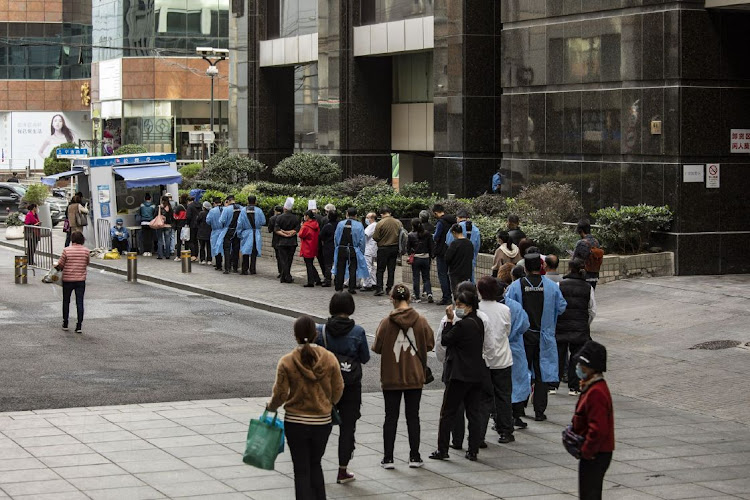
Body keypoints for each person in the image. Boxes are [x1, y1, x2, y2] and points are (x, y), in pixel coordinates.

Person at [267, 315, 344, 500]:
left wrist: (271, 407)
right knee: (316, 464)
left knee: (301, 470)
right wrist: (329, 403)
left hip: (296, 421)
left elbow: (281, 394)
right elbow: (339, 387)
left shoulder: (287, 361)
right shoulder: (329, 358)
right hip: (322, 421)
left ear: (295, 336)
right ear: (316, 333)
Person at [372, 284, 435, 469]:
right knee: (413, 416)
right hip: (415, 375)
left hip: (391, 376)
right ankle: (414, 456)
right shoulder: (421, 321)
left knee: (390, 417)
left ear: (392, 299)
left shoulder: (386, 322)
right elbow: (430, 343)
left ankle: (388, 458)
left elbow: (377, 347)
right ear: (408, 298)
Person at [314, 292, 370, 484]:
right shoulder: (358, 332)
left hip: (326, 387)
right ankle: (342, 470)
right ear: (351, 308)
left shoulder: (320, 331)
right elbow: (365, 358)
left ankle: (315, 465)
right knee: (348, 428)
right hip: (351, 386)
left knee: (323, 426)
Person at [506, 253, 567, 422]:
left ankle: (519, 409)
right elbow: (562, 306)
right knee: (541, 374)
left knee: (520, 371)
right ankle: (540, 411)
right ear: (541, 267)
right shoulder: (551, 286)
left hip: (522, 336)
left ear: (525, 268)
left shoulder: (516, 286)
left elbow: (508, 309)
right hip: (544, 336)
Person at [429, 288, 487, 462]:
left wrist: (449, 320)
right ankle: (473, 450)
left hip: (459, 374)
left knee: (448, 412)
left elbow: (446, 340)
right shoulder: (478, 322)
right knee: (473, 413)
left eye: (460, 305)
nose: (457, 308)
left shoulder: (461, 325)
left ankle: (443, 449)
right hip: (476, 374)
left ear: (469, 306)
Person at [571, 340, 614, 500]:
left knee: (590, 495)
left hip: (596, 453)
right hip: (594, 452)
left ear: (590, 367)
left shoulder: (597, 391)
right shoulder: (592, 386)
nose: (578, 367)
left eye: (581, 364)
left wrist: (586, 451)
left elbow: (598, 428)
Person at [476, 277, 515, 444]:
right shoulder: (504, 309)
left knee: (481, 399)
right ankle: (505, 430)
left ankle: (479, 435)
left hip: (482, 360)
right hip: (502, 358)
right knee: (504, 396)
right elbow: (507, 331)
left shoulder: (476, 309)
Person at [495, 279, 532, 430]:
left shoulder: (488, 308)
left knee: (500, 386)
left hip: (497, 349)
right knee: (518, 381)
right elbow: (525, 324)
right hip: (515, 348)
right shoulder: (515, 306)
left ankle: (500, 417)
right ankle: (516, 415)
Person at [557, 258, 597, 396]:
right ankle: (574, 387)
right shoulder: (588, 287)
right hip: (580, 327)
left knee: (560, 354)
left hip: (561, 326)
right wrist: (586, 323)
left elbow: (556, 306)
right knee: (576, 356)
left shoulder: (559, 285)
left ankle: (553, 385)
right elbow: (592, 310)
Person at [56, 231, 90, 334]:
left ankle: (65, 322)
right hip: (80, 280)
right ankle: (79, 325)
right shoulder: (86, 251)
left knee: (66, 301)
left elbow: (61, 264)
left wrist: (56, 267)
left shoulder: (66, 250)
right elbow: (87, 263)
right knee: (79, 302)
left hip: (68, 280)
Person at [333, 207, 369, 293]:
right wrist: (361, 251)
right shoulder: (359, 225)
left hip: (341, 248)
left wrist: (337, 247)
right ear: (356, 215)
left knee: (340, 268)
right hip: (353, 249)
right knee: (353, 268)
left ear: (347, 214)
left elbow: (336, 237)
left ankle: (339, 287)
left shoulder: (340, 224)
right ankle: (351, 288)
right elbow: (362, 240)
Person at [372, 206, 403, 296]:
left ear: (382, 214)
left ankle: (379, 288)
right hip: (394, 248)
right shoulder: (398, 222)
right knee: (391, 269)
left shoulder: (380, 223)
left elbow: (375, 237)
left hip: (383, 248)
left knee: (380, 269)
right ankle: (389, 288)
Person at [444, 209, 481, 282]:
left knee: (457, 283)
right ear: (467, 218)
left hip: (457, 261)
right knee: (470, 279)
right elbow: (477, 246)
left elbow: (449, 242)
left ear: (458, 218)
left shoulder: (455, 227)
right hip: (470, 259)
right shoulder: (476, 229)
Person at [431, 204, 457, 305]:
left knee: (442, 274)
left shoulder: (440, 222)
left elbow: (436, 237)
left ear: (436, 212)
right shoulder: (452, 221)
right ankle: (454, 295)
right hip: (452, 250)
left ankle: (446, 297)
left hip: (442, 251)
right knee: (451, 274)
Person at [237, 195, 266, 275]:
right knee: (254, 251)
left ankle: (244, 269)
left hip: (246, 233)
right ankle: (253, 269)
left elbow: (239, 223)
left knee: (245, 251)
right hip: (256, 233)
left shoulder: (243, 211)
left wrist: (239, 233)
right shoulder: (259, 211)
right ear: (255, 201)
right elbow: (263, 221)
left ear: (247, 201)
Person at [407, 218, 434, 303]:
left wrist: (410, 254)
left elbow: (408, 248)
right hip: (426, 257)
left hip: (416, 258)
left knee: (416, 277)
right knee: (426, 277)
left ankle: (417, 296)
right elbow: (431, 246)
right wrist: (431, 256)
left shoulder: (411, 235)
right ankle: (429, 293)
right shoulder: (427, 234)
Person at [444, 224, 474, 298]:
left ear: (454, 232)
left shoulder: (454, 244)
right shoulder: (469, 243)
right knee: (464, 292)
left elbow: (447, 258)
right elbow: (471, 256)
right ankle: (465, 307)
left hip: (455, 272)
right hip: (466, 272)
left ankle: (459, 308)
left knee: (457, 293)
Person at [572, 219, 603, 289]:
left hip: (584, 276)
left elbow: (574, 261)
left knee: (583, 297)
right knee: (591, 295)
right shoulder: (596, 242)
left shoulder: (581, 243)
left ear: (581, 230)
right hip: (595, 275)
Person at [275, 197, 300, 283]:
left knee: (283, 260)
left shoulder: (279, 218)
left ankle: (285, 276)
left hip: (282, 242)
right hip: (292, 242)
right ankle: (286, 276)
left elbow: (277, 230)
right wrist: (289, 234)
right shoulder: (296, 218)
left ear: (284, 208)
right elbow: (296, 230)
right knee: (289, 260)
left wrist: (284, 233)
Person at [299, 209, 322, 287]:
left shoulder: (305, 226)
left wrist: (302, 226)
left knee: (308, 264)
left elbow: (301, 235)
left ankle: (310, 281)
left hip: (306, 246)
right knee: (310, 263)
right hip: (314, 245)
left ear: (307, 216)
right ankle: (317, 279)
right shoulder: (316, 224)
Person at [319, 207, 338, 287]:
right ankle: (337, 279)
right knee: (337, 263)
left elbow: (321, 236)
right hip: (337, 246)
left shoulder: (327, 226)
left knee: (328, 264)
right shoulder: (339, 225)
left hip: (328, 247)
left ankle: (328, 280)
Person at [206, 197, 225, 270]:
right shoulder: (225, 209)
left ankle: (218, 264)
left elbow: (208, 221)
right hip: (224, 231)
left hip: (215, 231)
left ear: (214, 203)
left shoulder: (212, 211)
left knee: (216, 248)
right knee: (223, 248)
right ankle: (225, 264)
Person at [362, 211, 378, 291]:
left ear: (371, 218)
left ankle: (367, 284)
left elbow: (364, 235)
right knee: (373, 267)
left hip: (369, 249)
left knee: (367, 266)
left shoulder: (372, 226)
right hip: (373, 249)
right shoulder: (376, 225)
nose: (366, 219)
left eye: (367, 217)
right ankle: (373, 282)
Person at [155, 195, 174, 260]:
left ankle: (160, 255)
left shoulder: (159, 207)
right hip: (168, 225)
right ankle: (167, 255)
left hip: (160, 225)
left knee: (160, 240)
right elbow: (172, 217)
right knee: (168, 240)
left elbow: (155, 215)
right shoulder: (170, 207)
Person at [267, 205, 283, 278]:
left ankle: (281, 271)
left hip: (276, 240)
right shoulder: (284, 217)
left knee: (278, 257)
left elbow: (269, 230)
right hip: (286, 240)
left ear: (275, 211)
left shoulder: (272, 218)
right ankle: (286, 271)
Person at [186, 195, 202, 260]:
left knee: (191, 240)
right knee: (196, 241)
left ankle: (193, 255)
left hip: (192, 225)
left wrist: (187, 223)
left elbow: (188, 216)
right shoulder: (200, 205)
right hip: (199, 225)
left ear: (188, 201)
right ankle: (197, 255)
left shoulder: (190, 206)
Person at [172, 195, 188, 261]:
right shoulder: (188, 206)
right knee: (187, 240)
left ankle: (178, 255)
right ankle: (187, 254)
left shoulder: (179, 207)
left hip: (179, 225)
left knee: (179, 241)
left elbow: (175, 216)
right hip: (186, 226)